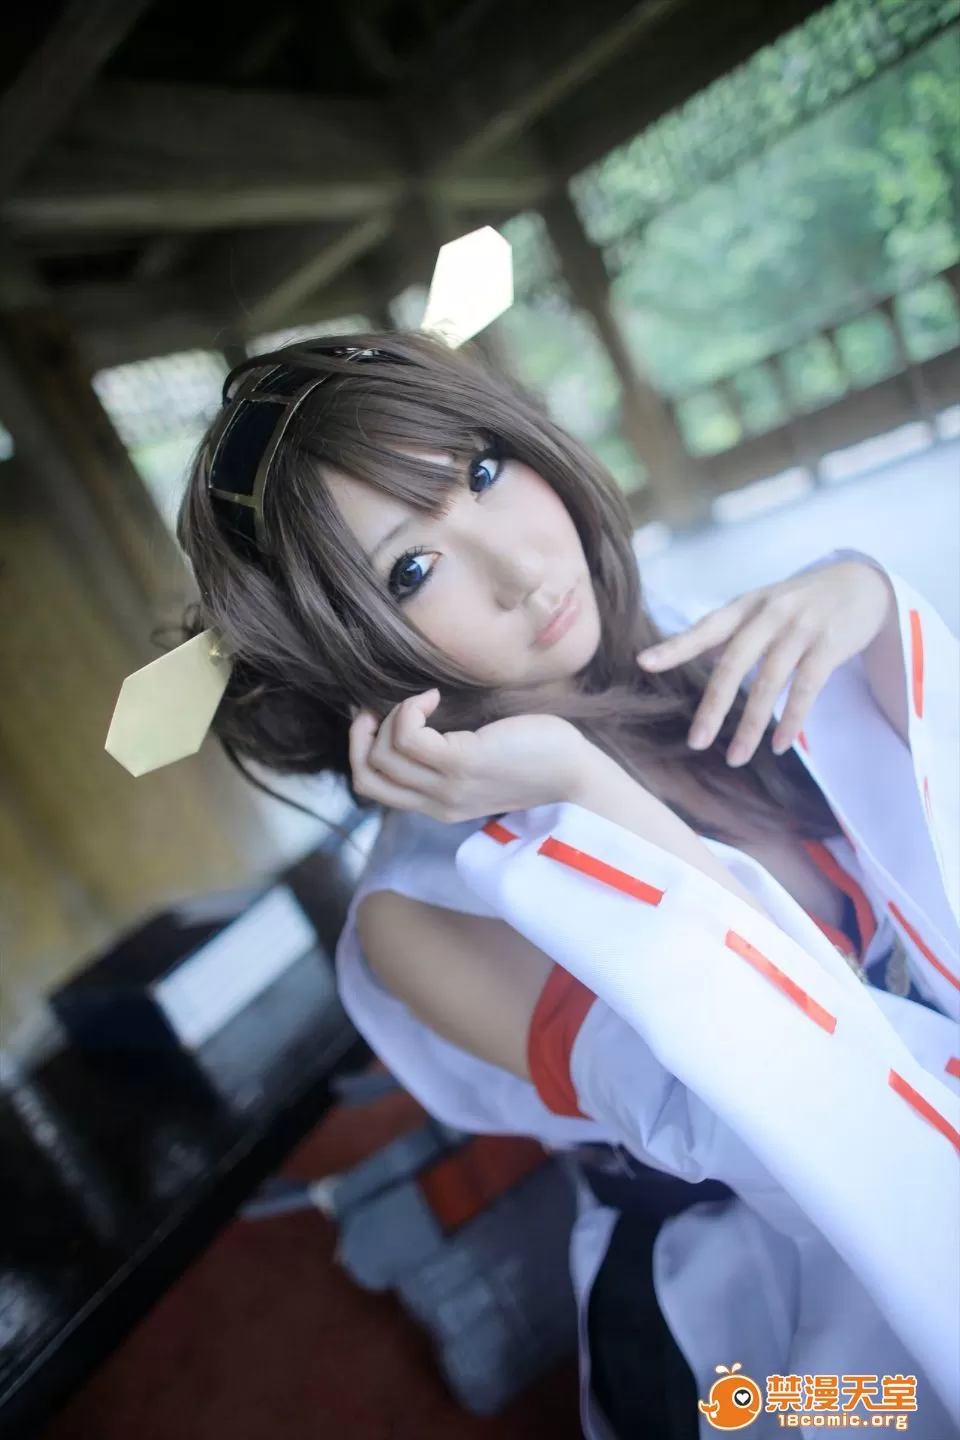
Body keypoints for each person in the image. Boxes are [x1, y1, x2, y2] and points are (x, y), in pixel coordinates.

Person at [165, 331, 958, 1439]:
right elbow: (801, 1100)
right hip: (762, 1320)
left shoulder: (685, 631)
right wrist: (588, 791)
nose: (522, 567)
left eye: (483, 471)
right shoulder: (422, 915)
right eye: (411, 569)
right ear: (342, 649)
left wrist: (875, 604)